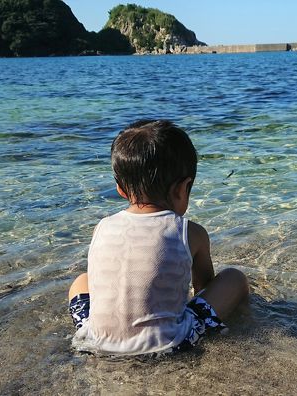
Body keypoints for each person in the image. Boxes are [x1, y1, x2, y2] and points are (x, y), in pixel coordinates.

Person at [68, 120, 248, 356]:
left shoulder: (102, 227)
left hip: (96, 342)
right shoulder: (190, 232)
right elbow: (204, 288)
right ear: (183, 188)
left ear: (120, 189)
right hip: (168, 344)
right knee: (234, 278)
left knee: (81, 280)